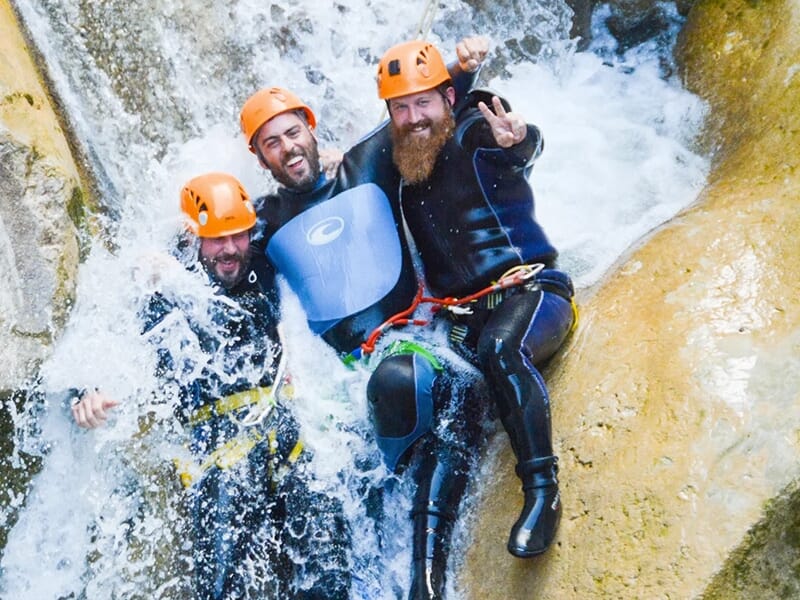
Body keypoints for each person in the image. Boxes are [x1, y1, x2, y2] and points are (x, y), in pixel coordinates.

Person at [239, 36, 492, 600]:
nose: (287, 148)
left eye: (292, 133)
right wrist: (160, 257)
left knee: (400, 381)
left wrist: (461, 64)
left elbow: (420, 113)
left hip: (415, 339)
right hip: (344, 375)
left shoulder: (366, 163)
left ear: (312, 129)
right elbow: (216, 253)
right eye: (271, 144)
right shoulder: (262, 222)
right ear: (260, 159)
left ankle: (423, 581)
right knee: (309, 467)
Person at [71, 172, 351, 599]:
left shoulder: (262, 260)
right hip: (217, 445)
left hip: (285, 428)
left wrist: (332, 165)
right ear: (191, 237)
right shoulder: (160, 282)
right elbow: (100, 338)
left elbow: (304, 212)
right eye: (216, 239)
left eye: (238, 236)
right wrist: (85, 392)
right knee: (221, 583)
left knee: (328, 568)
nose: (230, 250)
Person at [375, 38, 577, 569]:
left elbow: (511, 148)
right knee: (447, 413)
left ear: (447, 97)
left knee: (500, 348)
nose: (415, 117)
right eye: (402, 107)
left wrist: (523, 140)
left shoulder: (472, 130)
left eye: (425, 102)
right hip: (465, 320)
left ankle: (542, 492)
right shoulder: (402, 170)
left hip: (532, 293)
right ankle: (425, 577)